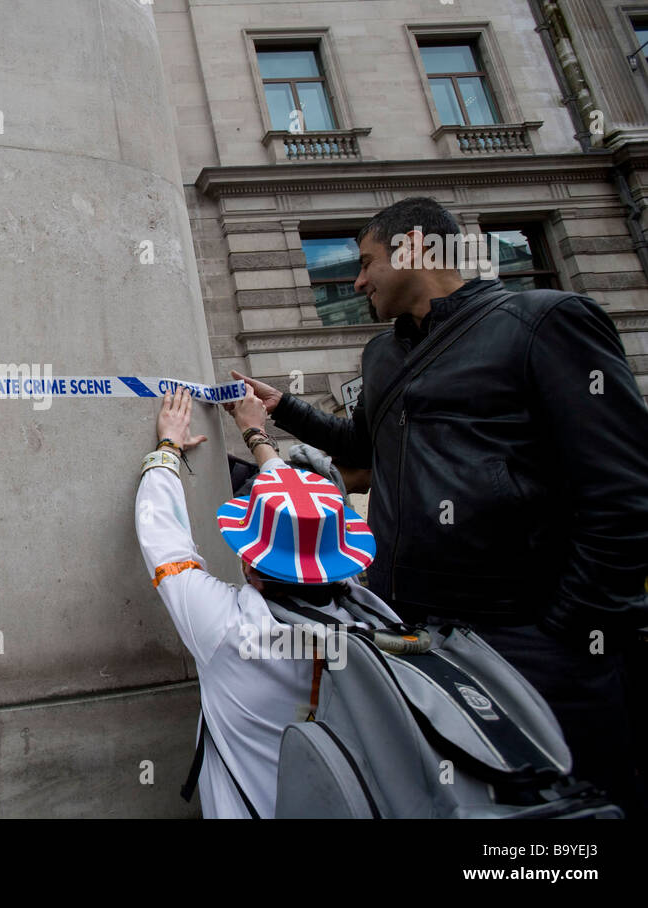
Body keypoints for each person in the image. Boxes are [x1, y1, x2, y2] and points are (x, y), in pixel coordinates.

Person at [234, 195, 648, 815]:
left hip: (538, 636)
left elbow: (624, 490)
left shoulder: (546, 319)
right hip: (419, 633)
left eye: (367, 262)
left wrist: (569, 624)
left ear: (416, 249)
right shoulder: (381, 354)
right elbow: (363, 451)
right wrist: (285, 409)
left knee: (576, 815)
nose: (357, 280)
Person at [135, 387, 397, 817]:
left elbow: (162, 538)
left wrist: (167, 447)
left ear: (249, 563)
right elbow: (307, 523)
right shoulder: (371, 622)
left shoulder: (228, 630)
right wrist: (256, 434)